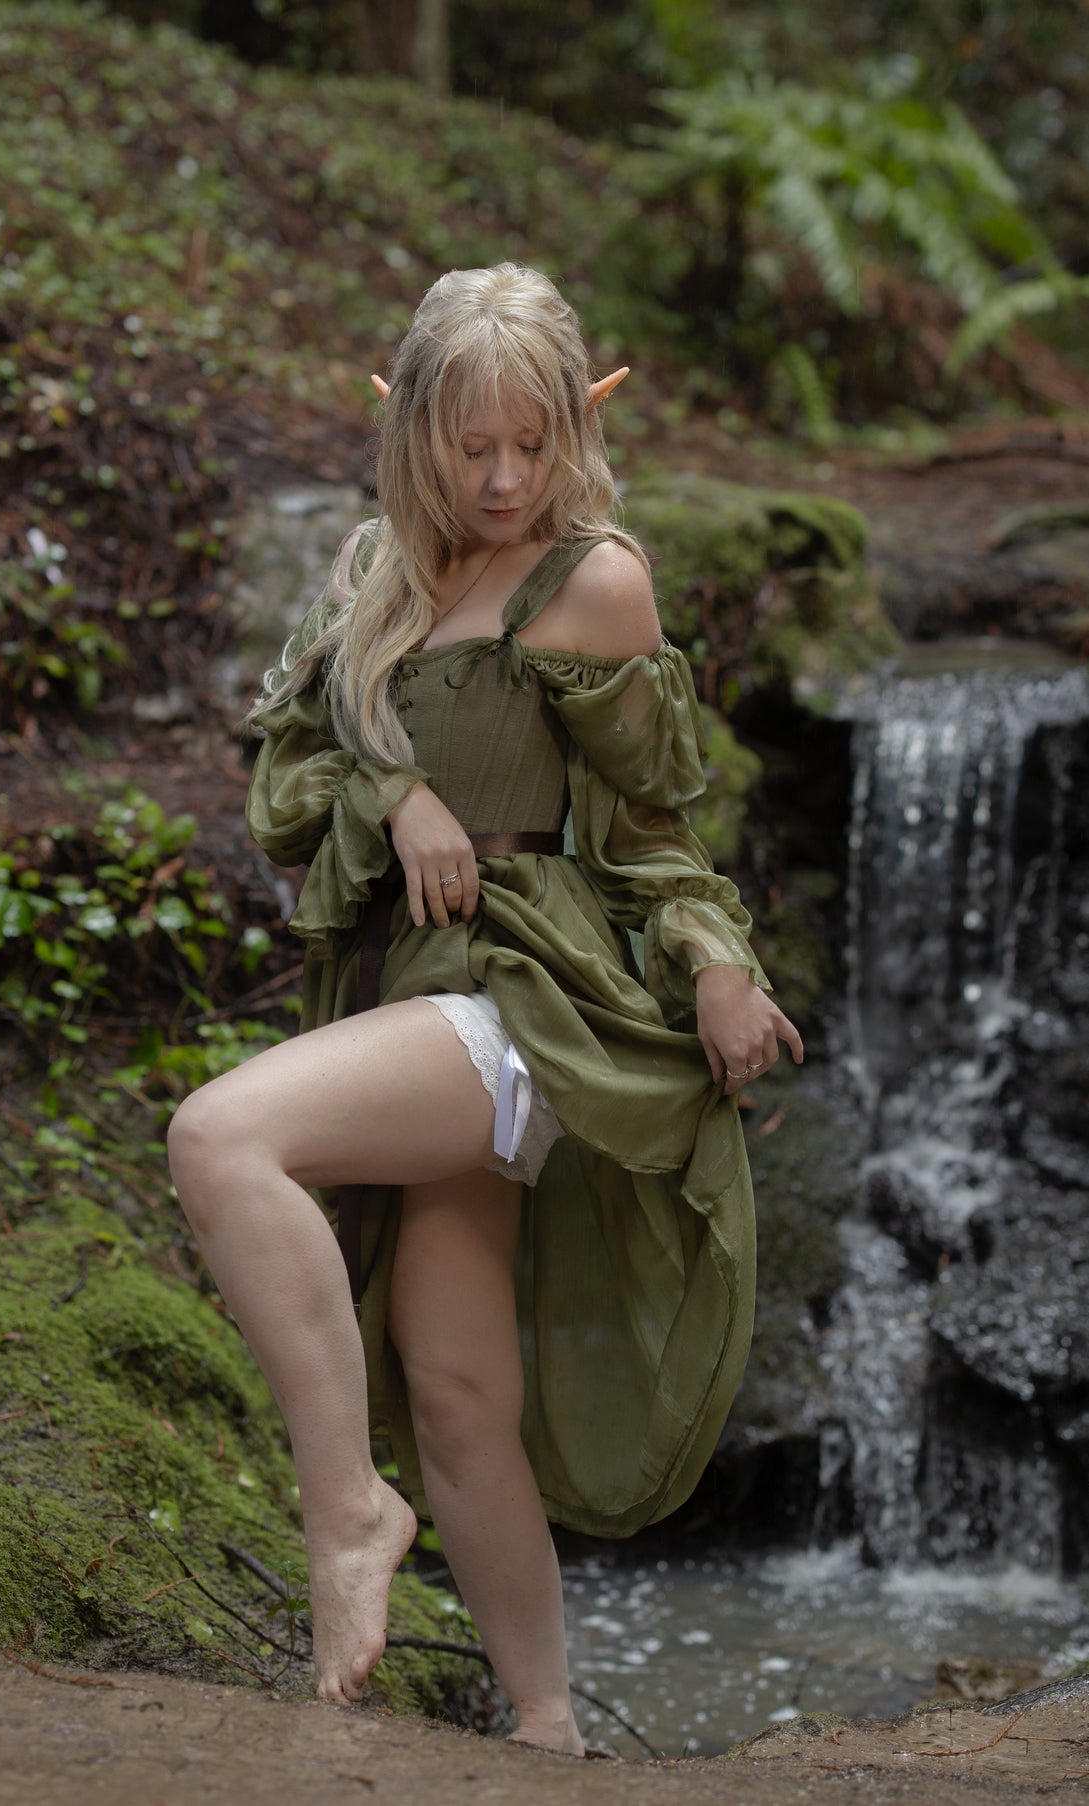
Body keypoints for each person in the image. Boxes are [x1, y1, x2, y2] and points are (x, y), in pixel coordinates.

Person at [166, 263, 802, 1758]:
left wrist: (718, 967)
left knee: (221, 1138)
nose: (506, 476)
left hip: (521, 995)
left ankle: (344, 1513)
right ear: (413, 428)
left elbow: (653, 832)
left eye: (531, 442)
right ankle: (551, 1728)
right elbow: (287, 787)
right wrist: (399, 794)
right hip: (414, 985)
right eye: (472, 446)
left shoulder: (591, 579)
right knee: (459, 1397)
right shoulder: (373, 570)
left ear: (575, 424)